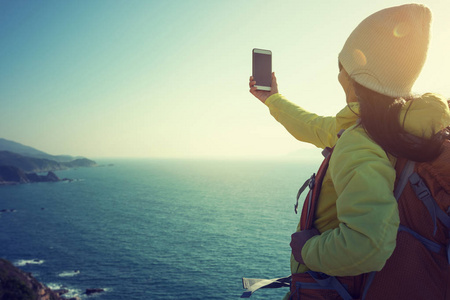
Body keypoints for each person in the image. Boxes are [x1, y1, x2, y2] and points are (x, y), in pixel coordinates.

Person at [249, 3, 450, 299]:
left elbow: (367, 246)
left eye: (341, 66)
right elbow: (316, 126)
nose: (339, 75)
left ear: (355, 75)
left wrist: (307, 250)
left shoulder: (361, 140)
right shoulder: (404, 124)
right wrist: (273, 99)